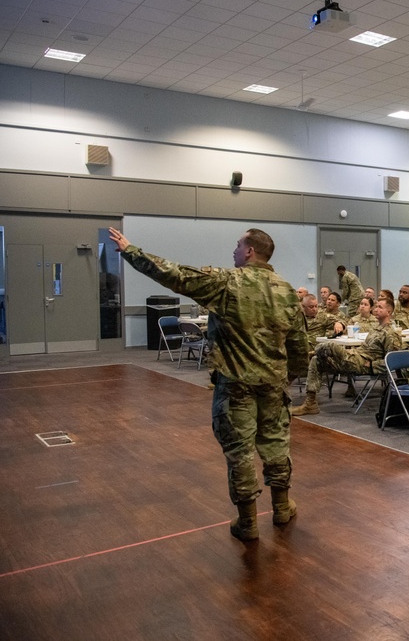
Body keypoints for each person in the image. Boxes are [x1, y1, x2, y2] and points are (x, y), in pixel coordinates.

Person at [109, 227, 309, 542]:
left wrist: (132, 251)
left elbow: (174, 275)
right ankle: (282, 508)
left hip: (236, 386)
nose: (234, 250)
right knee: (276, 445)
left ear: (250, 252)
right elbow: (300, 347)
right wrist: (286, 378)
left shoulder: (226, 283)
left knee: (240, 452)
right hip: (273, 385)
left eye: (238, 245)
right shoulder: (286, 290)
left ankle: (248, 522)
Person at [290, 297, 403, 415]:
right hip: (356, 357)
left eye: (380, 307)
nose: (376, 309)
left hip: (365, 363)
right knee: (316, 360)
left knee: (330, 346)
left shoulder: (391, 333)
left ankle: (312, 351)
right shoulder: (376, 328)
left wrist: (372, 365)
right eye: (376, 306)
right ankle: (310, 403)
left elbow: (393, 361)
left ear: (388, 312)